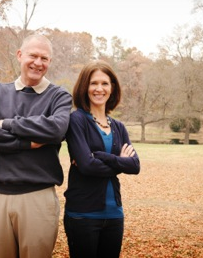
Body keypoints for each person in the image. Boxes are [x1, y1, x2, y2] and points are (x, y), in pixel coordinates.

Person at [0, 34, 72, 258]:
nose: (38, 63)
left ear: (50, 62)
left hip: (37, 197)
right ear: (20, 55)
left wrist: (7, 124)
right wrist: (28, 142)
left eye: (44, 58)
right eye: (33, 56)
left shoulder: (59, 97)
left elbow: (56, 129)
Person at [63, 59, 141, 258]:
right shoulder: (77, 120)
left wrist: (101, 156)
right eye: (93, 83)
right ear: (84, 87)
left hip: (114, 214)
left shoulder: (119, 126)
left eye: (104, 83)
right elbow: (88, 167)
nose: (99, 89)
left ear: (112, 88)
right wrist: (118, 162)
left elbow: (134, 165)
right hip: (83, 214)